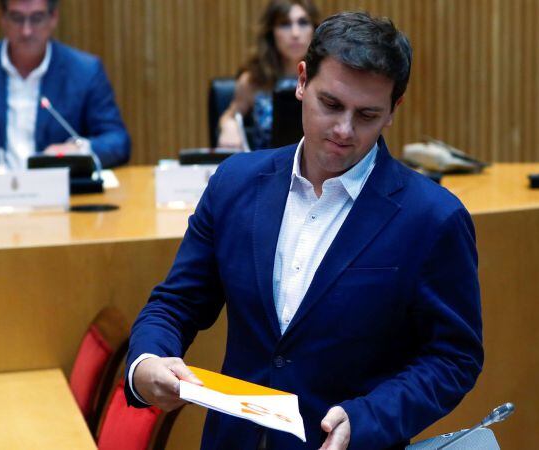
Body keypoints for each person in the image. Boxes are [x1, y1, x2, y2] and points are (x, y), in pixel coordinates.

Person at [126, 11, 483, 450]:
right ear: (301, 82)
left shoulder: (432, 217)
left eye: (367, 114)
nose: (343, 130)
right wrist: (146, 360)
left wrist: (369, 417)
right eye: (330, 104)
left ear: (394, 110)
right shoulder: (235, 182)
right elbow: (177, 301)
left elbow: (453, 357)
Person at [0, 0, 130, 181]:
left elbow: (118, 140)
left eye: (36, 18)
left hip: (58, 197)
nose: (26, 31)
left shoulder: (85, 71)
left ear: (53, 17)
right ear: (2, 18)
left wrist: (78, 149)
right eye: (17, 18)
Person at [217, 0, 320, 150]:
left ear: (315, 29)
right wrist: (229, 126)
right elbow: (230, 116)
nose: (295, 33)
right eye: (285, 24)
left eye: (303, 23)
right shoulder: (254, 80)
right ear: (272, 32)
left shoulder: (326, 78)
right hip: (267, 167)